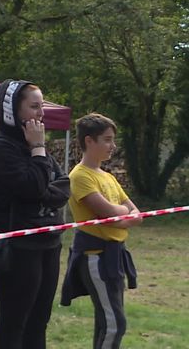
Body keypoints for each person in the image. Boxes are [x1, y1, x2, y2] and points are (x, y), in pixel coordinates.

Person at [0, 80, 70, 349]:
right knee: (14, 322)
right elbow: (33, 186)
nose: (41, 113)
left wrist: (40, 184)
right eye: (34, 106)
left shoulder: (34, 146)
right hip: (16, 248)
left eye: (42, 106)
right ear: (12, 112)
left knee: (39, 321)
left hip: (48, 243)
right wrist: (39, 153)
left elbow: (63, 187)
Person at [61, 113, 141, 349]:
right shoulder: (79, 176)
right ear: (89, 141)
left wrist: (119, 216)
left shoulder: (107, 176)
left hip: (115, 256)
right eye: (107, 140)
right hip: (95, 256)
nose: (112, 146)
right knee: (115, 323)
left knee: (106, 321)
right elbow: (113, 214)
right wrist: (120, 214)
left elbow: (134, 213)